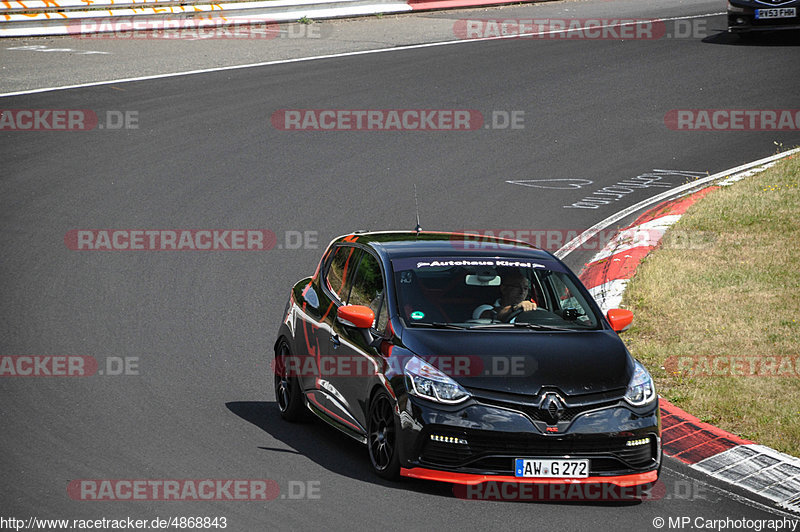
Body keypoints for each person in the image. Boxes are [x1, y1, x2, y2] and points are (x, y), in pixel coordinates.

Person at [472, 269, 537, 321]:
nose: (522, 292)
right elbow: (494, 314)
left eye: (525, 288)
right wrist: (514, 308)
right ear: (504, 289)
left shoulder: (530, 310)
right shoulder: (483, 308)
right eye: (517, 287)